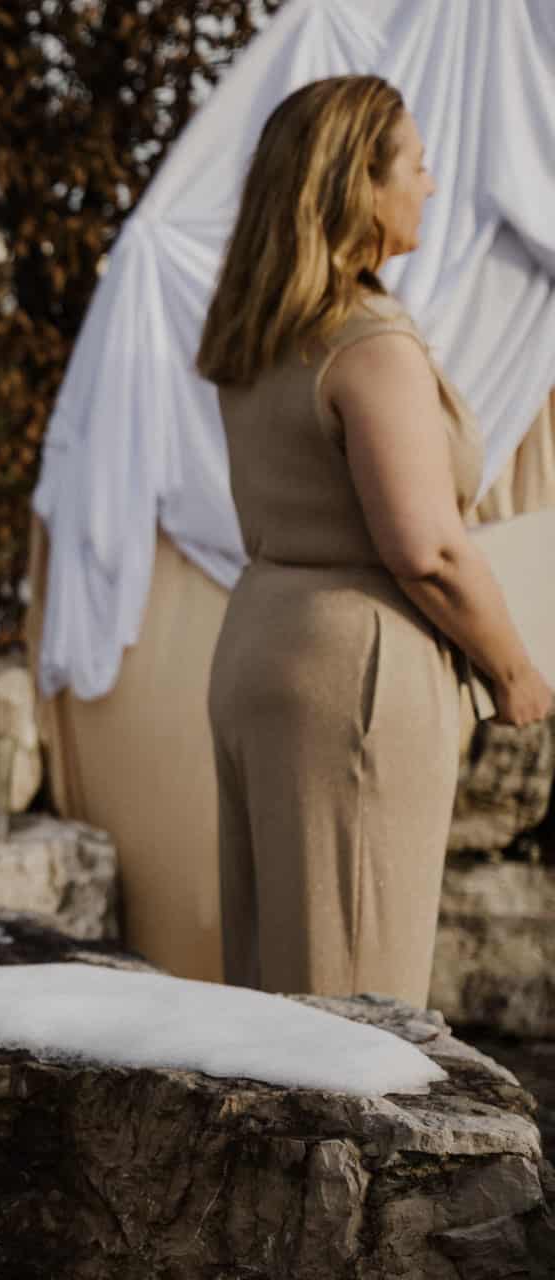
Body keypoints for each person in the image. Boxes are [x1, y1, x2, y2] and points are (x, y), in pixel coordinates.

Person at [198, 75, 553, 1006]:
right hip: (351, 673)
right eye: (420, 166)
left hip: (261, 641)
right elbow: (427, 551)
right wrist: (514, 670)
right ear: (363, 182)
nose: (431, 187)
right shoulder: (367, 344)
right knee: (354, 997)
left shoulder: (259, 334)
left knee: (277, 979)